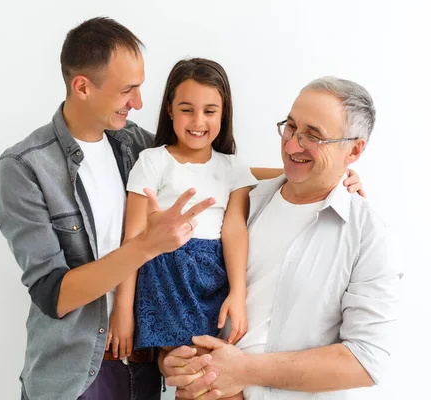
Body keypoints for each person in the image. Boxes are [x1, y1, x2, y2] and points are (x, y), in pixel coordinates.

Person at [0, 16, 363, 400]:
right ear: (82, 86)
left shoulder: (131, 143)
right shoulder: (26, 168)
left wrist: (325, 173)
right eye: (128, 90)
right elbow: (55, 295)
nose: (138, 103)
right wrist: (148, 247)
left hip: (146, 363)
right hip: (76, 370)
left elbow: (207, 169)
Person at [161, 77, 401, 400]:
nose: (291, 146)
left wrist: (243, 370)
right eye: (290, 127)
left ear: (354, 149)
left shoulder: (368, 235)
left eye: (313, 136)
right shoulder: (240, 203)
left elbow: (365, 359)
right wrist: (171, 358)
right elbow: (186, 291)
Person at [108, 59, 254, 400]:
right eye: (187, 109)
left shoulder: (233, 167)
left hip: (212, 278)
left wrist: (238, 293)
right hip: (167, 277)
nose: (198, 121)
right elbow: (133, 238)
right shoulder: (153, 161)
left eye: (210, 111)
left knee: (211, 373)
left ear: (223, 113)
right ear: (170, 110)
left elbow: (234, 230)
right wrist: (123, 310)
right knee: (194, 369)